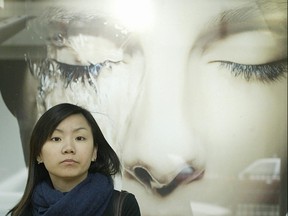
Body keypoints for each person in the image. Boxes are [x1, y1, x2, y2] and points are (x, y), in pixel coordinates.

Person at [0, 0, 287, 215]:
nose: (163, 159)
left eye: (250, 57)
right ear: (11, 91)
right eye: (89, 61)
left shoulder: (123, 205)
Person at [6, 103, 141, 216]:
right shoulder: (23, 212)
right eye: (56, 139)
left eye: (79, 138)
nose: (69, 148)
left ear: (94, 152)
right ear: (38, 154)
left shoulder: (122, 206)